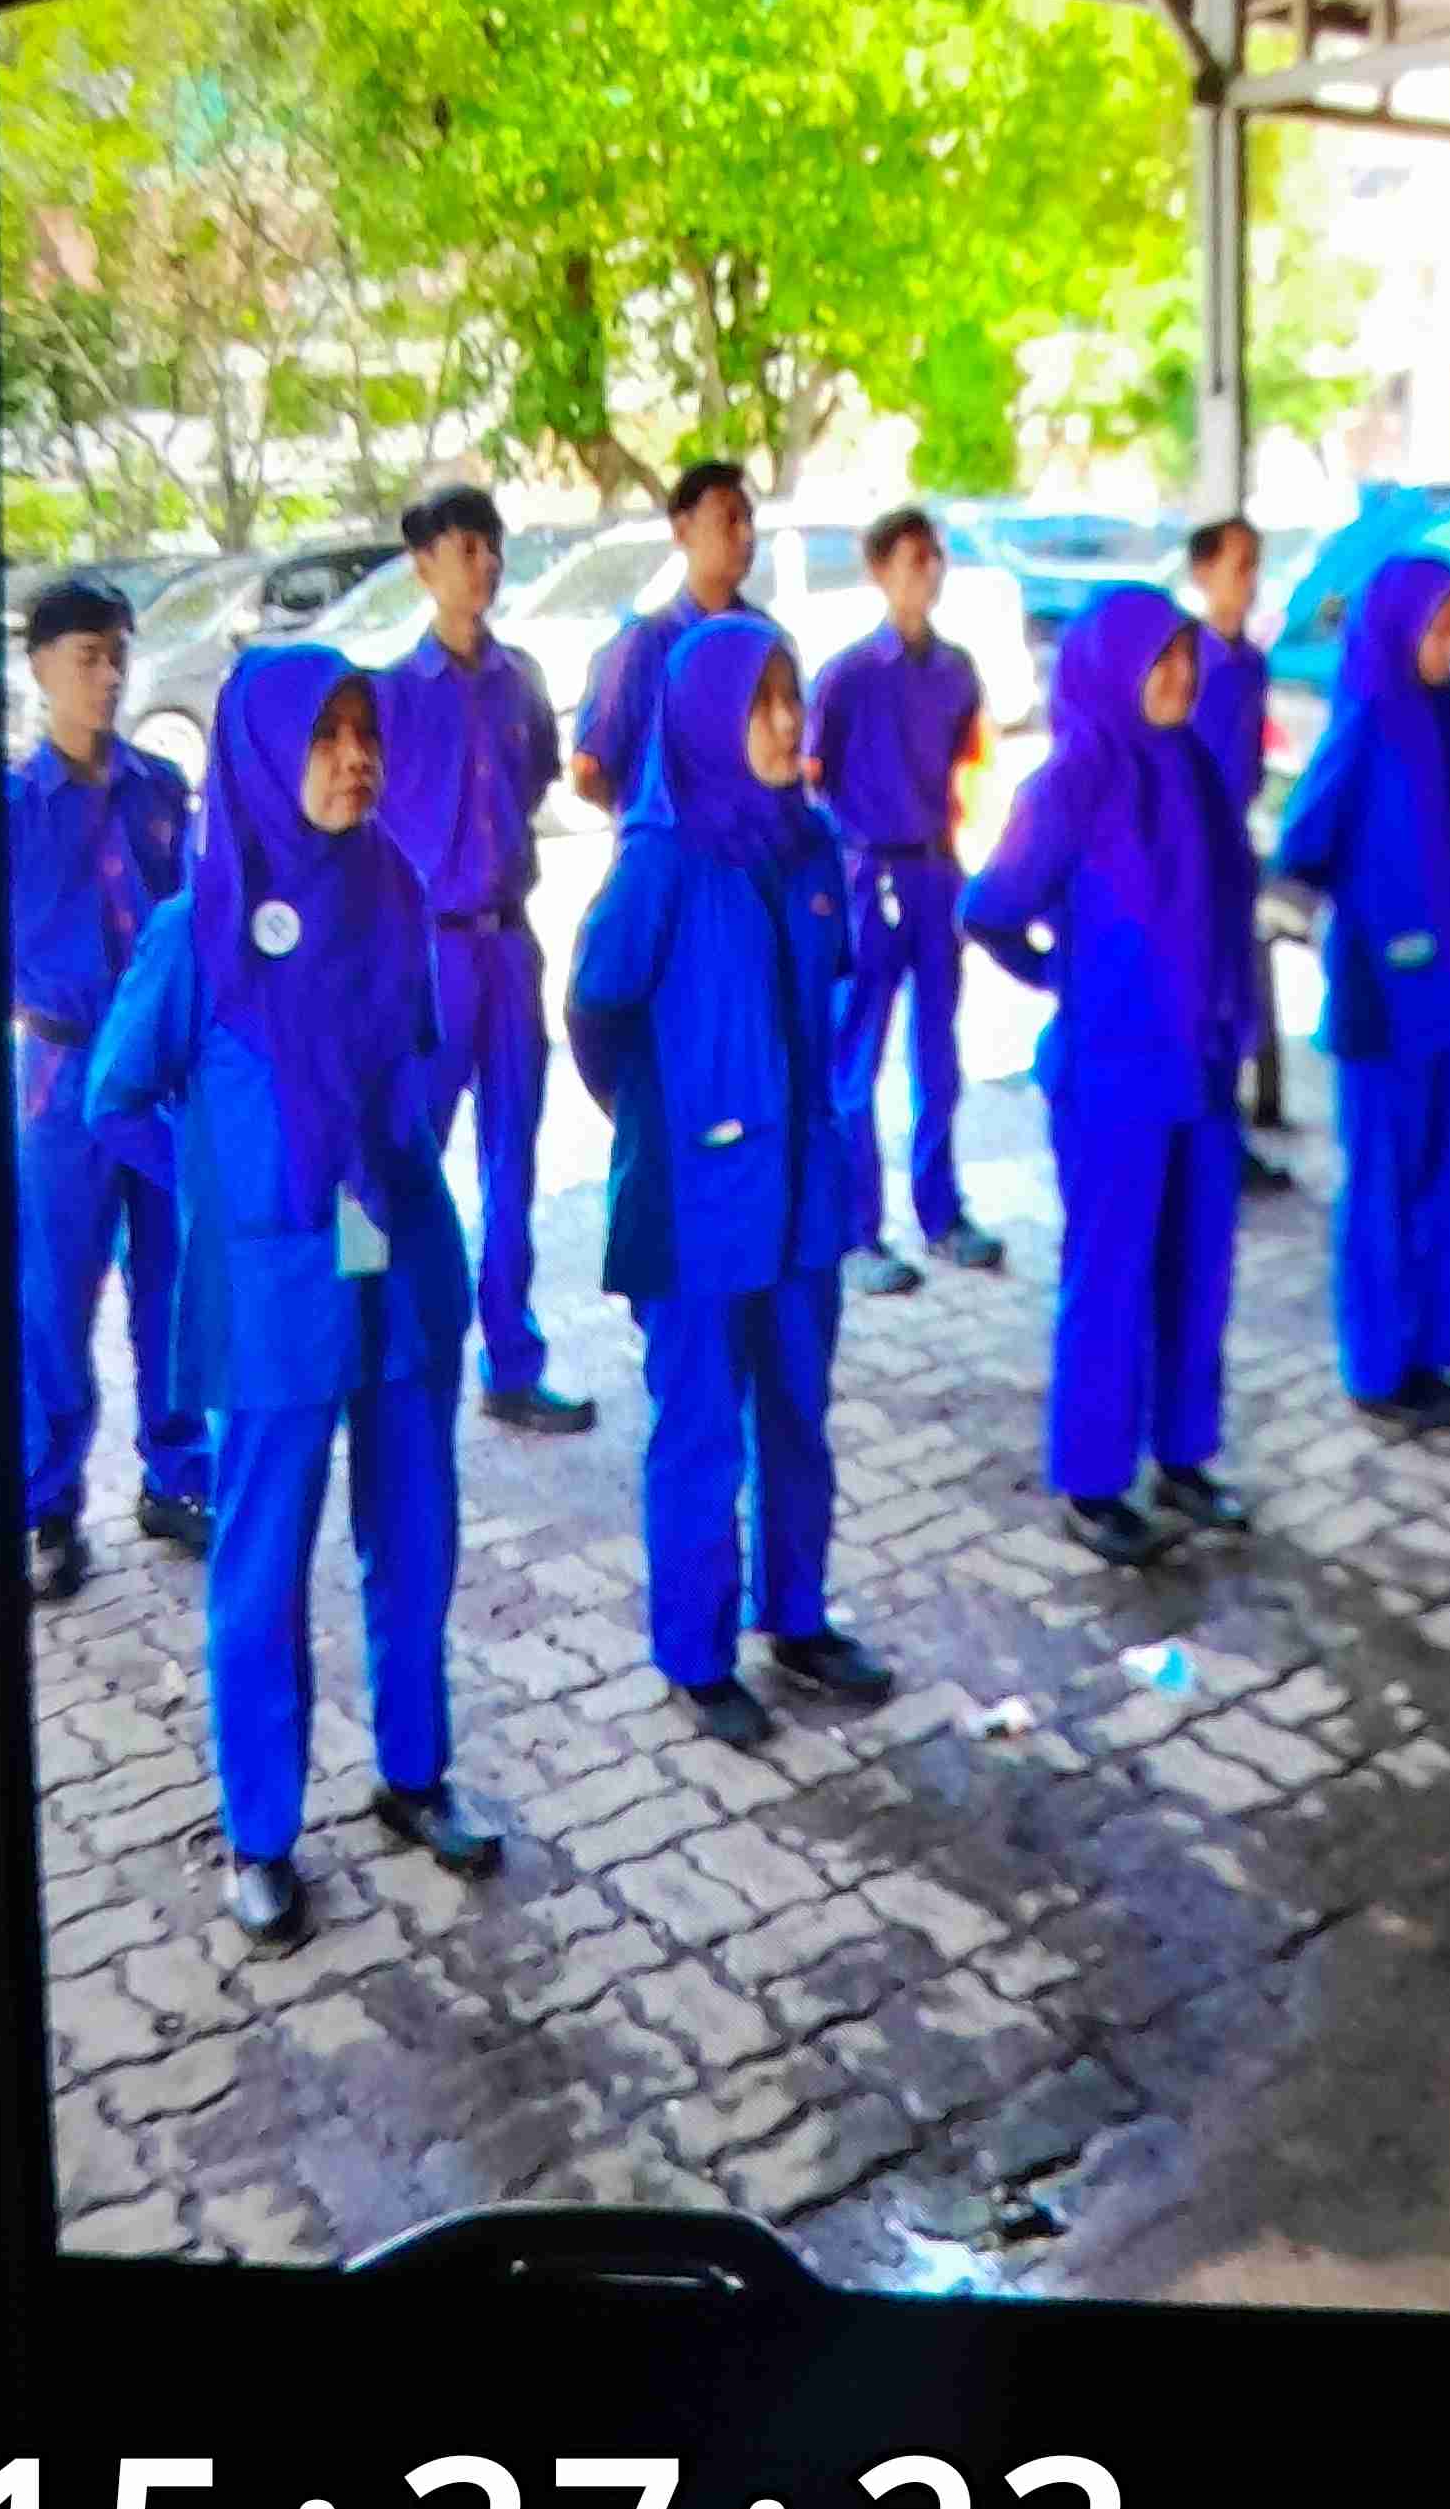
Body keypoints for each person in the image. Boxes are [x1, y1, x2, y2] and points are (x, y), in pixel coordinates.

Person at [85, 648, 497, 1954]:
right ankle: (260, 1833)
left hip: (387, 1251)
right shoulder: (196, 930)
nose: (354, 758)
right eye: (325, 736)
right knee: (262, 1563)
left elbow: (413, 1063)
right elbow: (115, 1100)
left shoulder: (394, 889)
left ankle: (414, 1774)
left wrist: (378, 1188)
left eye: (365, 732)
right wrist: (224, 1197)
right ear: (264, 756)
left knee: (414, 1528)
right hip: (272, 1287)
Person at [565, 614, 894, 1748]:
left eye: (792, 698)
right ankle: (696, 1654)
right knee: (700, 1428)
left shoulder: (809, 843)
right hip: (693, 1201)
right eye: (760, 704)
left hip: (800, 1187)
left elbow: (831, 990)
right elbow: (596, 1011)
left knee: (799, 1412)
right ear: (707, 719)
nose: (786, 723)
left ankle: (797, 1616)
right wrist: (660, 1120)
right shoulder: (659, 861)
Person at [959, 582, 1258, 1568]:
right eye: (1157, 659)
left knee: (1197, 1274)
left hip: (1200, 1072)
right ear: (1113, 668)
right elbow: (990, 907)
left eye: (1185, 655)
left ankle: (1183, 1456)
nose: (1178, 675)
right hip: (1113, 1080)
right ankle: (1093, 1480)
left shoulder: (1196, 768)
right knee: (1112, 1279)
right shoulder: (1073, 779)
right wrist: (1066, 977)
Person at [372, 484, 598, 1434]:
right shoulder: (388, 696)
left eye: (493, 547)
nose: (486, 565)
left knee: (513, 1161)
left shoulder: (522, 681)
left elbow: (537, 777)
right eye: (466, 549)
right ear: (423, 566)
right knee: (403, 1155)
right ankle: (387, 1347)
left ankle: (512, 1359)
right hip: (427, 955)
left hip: (510, 947)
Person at [6, 574, 210, 1599]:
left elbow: (198, 923)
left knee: (171, 1277)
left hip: (157, 1072)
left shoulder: (161, 788)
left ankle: (177, 1473)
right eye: (87, 657)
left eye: (119, 655)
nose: (109, 676)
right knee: (55, 1291)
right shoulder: (10, 809)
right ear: (40, 667)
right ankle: (47, 1500)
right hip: (60, 1074)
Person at [1274, 548, 1450, 1427]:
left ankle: (1429, 1355)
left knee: (1449, 1184)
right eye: (1440, 630)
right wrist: (1372, 916)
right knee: (1383, 1186)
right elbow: (1303, 844)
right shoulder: (1368, 720)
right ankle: (1378, 1369)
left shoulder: (1446, 720)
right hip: (1382, 999)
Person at [804, 506, 1005, 1294]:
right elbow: (812, 782)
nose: (929, 573)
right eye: (913, 559)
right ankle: (857, 1229)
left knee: (939, 1050)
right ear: (880, 571)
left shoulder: (956, 670)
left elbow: (969, 769)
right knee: (856, 1055)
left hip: (935, 870)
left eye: (936, 558)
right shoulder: (847, 677)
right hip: (869, 874)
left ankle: (942, 1211)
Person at [1187, 511, 1296, 1194]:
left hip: (1233, 844)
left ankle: (1230, 1136)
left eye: (1256, 566)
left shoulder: (1251, 662)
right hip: (1188, 852)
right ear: (1203, 573)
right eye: (1239, 567)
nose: (1250, 581)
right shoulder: (1184, 661)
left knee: (1234, 994)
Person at [566, 457, 757, 814]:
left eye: (749, 519)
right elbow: (589, 770)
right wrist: (649, 824)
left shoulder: (765, 643)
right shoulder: (641, 646)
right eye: (729, 520)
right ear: (682, 532)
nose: (746, 534)